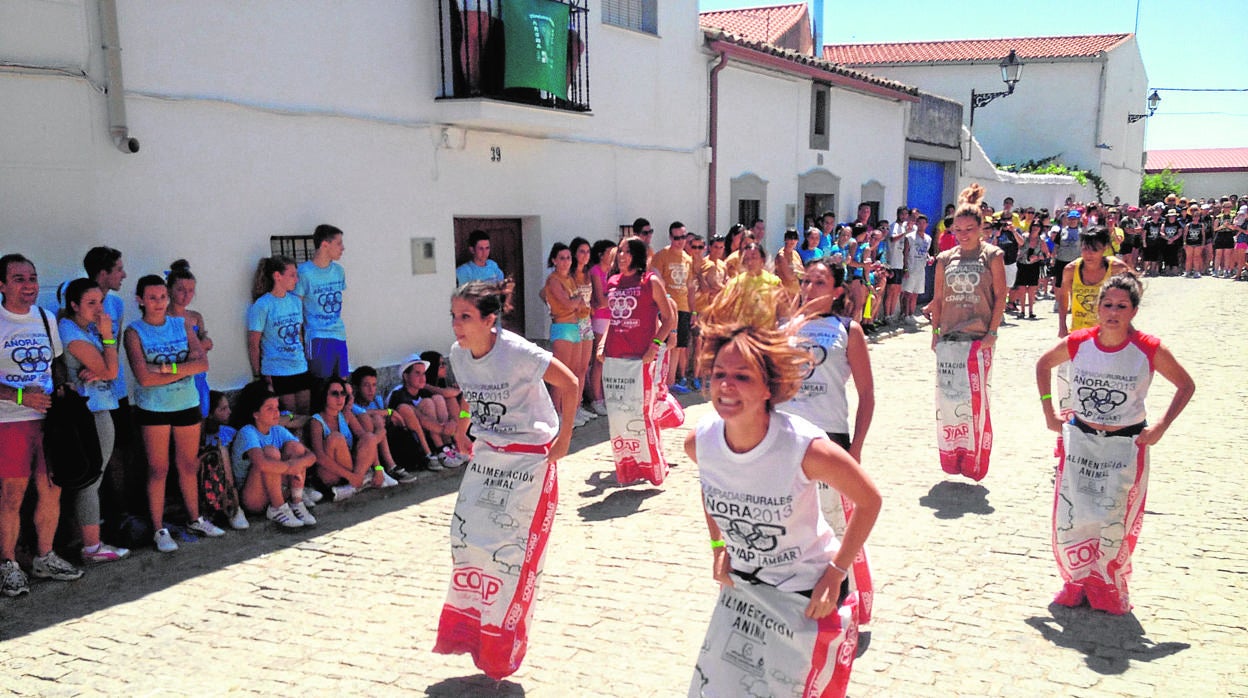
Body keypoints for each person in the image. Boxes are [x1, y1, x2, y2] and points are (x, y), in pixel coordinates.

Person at [684, 320, 881, 697]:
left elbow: (870, 500)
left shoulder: (804, 447)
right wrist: (718, 547)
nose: (726, 385)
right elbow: (709, 486)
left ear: (770, 388)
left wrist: (836, 573)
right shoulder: (701, 442)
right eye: (719, 374)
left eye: (742, 376)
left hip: (806, 597)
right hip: (744, 591)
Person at [433, 279, 577, 680]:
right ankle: (469, 630)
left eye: (465, 317)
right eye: (453, 317)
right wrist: (464, 424)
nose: (457, 326)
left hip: (531, 456)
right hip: (489, 454)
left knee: (510, 551)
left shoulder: (517, 351)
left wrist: (564, 437)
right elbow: (469, 394)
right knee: (464, 539)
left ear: (490, 319)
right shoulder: (458, 355)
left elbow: (572, 382)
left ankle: (504, 642)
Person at [1035, 272, 1194, 614]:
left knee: (1113, 517)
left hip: (1124, 444)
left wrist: (1162, 426)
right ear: (1097, 308)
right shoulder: (1080, 342)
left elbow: (1186, 385)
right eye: (1107, 304)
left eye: (1122, 306)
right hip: (1080, 440)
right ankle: (1075, 581)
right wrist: (1050, 412)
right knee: (1075, 513)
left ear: (1133, 311)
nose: (1113, 311)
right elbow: (1043, 364)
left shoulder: (1148, 349)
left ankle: (1108, 583)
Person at [781, 260, 878, 625]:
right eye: (806, 281)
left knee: (833, 525)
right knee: (791, 521)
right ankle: (794, 598)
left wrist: (856, 450)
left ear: (838, 291)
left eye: (819, 282)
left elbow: (867, 394)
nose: (809, 288)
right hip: (786, 438)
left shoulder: (847, 330)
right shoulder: (785, 327)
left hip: (830, 439)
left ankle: (839, 608)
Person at [1, 254, 84, 595]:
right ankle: (8, 564)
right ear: (2, 285)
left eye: (32, 277)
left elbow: (57, 363)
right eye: (19, 279)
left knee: (52, 488)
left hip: (50, 422)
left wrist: (63, 386)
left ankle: (44, 556)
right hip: (10, 421)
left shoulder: (46, 319)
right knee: (12, 495)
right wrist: (21, 397)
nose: (29, 285)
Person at [124, 274, 222, 551]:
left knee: (188, 465)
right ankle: (158, 528)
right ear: (140, 300)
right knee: (158, 468)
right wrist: (180, 369)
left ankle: (195, 517)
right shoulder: (134, 331)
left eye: (162, 297)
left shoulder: (181, 324)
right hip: (153, 408)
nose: (158, 302)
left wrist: (166, 369)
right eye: (152, 297)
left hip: (186, 403)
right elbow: (143, 377)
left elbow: (202, 363)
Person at [928, 184, 1006, 481]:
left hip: (978, 338)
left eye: (969, 229)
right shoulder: (945, 258)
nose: (963, 234)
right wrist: (935, 332)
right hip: (949, 338)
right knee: (948, 401)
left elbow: (1001, 295)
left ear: (981, 227)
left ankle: (975, 460)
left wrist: (992, 333)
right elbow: (938, 297)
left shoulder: (993, 255)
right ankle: (952, 455)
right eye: (958, 229)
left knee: (975, 401)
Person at [57, 279, 129, 563]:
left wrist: (101, 367)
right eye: (91, 303)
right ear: (74, 305)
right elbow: (111, 371)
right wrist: (108, 337)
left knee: (90, 480)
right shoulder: (72, 332)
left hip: (98, 406)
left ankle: (86, 540)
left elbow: (105, 370)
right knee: (91, 481)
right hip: (91, 411)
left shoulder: (85, 330)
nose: (99, 309)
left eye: (100, 302)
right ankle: (91, 546)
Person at [597, 236, 677, 486]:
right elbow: (614, 318)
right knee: (619, 416)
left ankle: (653, 466)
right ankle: (628, 468)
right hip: (614, 357)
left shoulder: (650, 281)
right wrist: (602, 343)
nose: (622, 256)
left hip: (640, 358)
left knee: (641, 414)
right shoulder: (612, 282)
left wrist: (655, 346)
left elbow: (669, 318)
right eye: (619, 252)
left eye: (628, 252)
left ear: (638, 256)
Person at [229, 381, 317, 528]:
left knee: (295, 447)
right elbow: (261, 463)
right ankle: (278, 508)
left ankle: (296, 502)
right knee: (270, 452)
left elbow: (311, 456)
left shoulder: (276, 429)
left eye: (277, 408)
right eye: (269, 409)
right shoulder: (248, 432)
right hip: (254, 498)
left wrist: (297, 463)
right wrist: (291, 468)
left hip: (277, 489)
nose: (276, 413)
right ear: (256, 414)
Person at [308, 376, 395, 502]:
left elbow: (367, 440)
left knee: (369, 437)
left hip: (350, 470)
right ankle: (360, 481)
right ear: (324, 396)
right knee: (336, 438)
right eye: (334, 394)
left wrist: (378, 468)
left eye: (343, 394)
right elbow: (320, 457)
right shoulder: (316, 421)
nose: (340, 398)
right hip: (330, 473)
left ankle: (354, 485)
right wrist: (350, 476)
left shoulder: (346, 415)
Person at [248, 256, 314, 415]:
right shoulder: (263, 305)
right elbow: (253, 343)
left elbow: (298, 333)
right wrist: (259, 375)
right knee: (289, 414)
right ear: (277, 276)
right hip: (277, 370)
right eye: (292, 275)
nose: (296, 279)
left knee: (305, 410)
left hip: (299, 366)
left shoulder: (295, 301)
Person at [388, 354, 469, 471]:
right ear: (405, 376)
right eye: (417, 373)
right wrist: (446, 429)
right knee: (427, 403)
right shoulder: (398, 393)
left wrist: (451, 423)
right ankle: (440, 449)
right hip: (413, 438)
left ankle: (449, 446)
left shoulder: (422, 390)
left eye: (423, 373)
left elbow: (446, 395)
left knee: (438, 399)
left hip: (434, 429)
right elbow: (420, 418)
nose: (422, 377)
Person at [543, 242, 592, 423]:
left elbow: (578, 305)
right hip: (562, 328)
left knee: (575, 372)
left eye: (568, 258)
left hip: (575, 326)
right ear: (554, 260)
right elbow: (569, 304)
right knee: (561, 375)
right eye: (561, 258)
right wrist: (577, 300)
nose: (565, 262)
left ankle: (571, 410)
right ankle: (557, 413)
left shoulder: (569, 279)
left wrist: (576, 301)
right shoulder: (554, 280)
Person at [295, 224, 350, 380]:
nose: (343, 248)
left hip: (339, 334)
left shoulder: (339, 271)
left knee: (342, 383)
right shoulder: (304, 272)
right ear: (325, 245)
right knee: (322, 385)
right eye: (339, 243)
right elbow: (296, 307)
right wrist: (298, 341)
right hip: (317, 336)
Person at [650, 222, 695, 393]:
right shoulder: (661, 256)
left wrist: (693, 311)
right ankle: (659, 382)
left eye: (683, 237)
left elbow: (690, 287)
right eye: (677, 238)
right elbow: (656, 279)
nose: (680, 241)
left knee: (678, 346)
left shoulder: (688, 258)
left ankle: (669, 382)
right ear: (670, 237)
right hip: (666, 307)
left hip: (683, 307)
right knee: (664, 345)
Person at [165, 260, 214, 417]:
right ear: (170, 290)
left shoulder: (195, 317)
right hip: (175, 378)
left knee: (201, 415)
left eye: (191, 290)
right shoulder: (163, 317)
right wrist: (201, 345)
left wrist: (203, 343)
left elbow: (206, 341)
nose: (186, 295)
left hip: (198, 377)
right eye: (180, 290)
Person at [719, 242, 788, 329]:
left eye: (754, 257)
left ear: (762, 260)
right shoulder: (735, 283)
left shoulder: (773, 282)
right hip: (743, 337)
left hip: (766, 335)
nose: (750, 262)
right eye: (747, 259)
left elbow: (784, 311)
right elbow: (725, 311)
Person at [586, 239, 617, 416]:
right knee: (599, 359)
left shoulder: (612, 272)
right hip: (599, 320)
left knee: (610, 360)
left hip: (613, 318)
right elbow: (599, 301)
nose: (614, 255)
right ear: (601, 254)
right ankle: (596, 399)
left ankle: (606, 397)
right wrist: (614, 298)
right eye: (610, 252)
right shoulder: (595, 271)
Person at [1013, 223, 1051, 320]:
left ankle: (1031, 311)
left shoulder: (1040, 241)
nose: (1035, 228)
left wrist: (1037, 257)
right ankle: (1022, 311)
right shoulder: (1025, 237)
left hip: (1034, 266)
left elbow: (1047, 254)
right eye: (1034, 226)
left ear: (1040, 229)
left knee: (1031, 290)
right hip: (1021, 264)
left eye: (1037, 226)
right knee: (1021, 289)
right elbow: (1019, 244)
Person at [902, 212, 932, 319]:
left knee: (916, 294)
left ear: (927, 224)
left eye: (924, 223)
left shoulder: (928, 239)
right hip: (911, 267)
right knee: (908, 293)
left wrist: (929, 258)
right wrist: (905, 268)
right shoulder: (910, 237)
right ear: (916, 224)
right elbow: (905, 253)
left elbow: (926, 252)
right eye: (919, 223)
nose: (922, 225)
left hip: (921, 269)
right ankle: (905, 315)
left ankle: (911, 313)